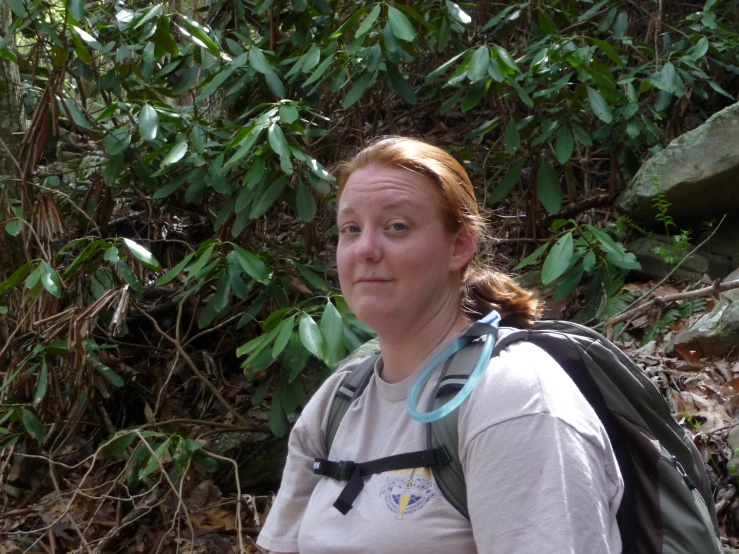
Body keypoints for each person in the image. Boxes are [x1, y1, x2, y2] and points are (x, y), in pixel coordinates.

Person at [256, 137, 624, 554]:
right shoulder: (337, 400)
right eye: (350, 229)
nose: (366, 250)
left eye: (397, 226)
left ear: (459, 246)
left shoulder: (514, 398)